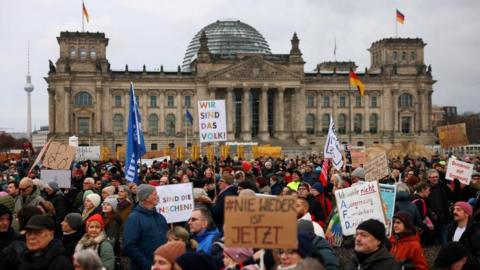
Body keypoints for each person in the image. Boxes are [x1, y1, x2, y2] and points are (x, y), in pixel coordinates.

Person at [123, 184, 168, 270]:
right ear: (145, 197)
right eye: (154, 194)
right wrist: (147, 265)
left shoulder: (160, 217)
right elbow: (129, 246)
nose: (157, 197)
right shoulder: (134, 218)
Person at [427, 169, 451, 245]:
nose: (435, 179)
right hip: (432, 220)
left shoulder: (443, 186)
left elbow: (452, 196)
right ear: (429, 178)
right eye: (432, 177)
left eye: (436, 177)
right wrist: (431, 213)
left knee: (445, 241)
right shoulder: (426, 188)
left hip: (444, 218)